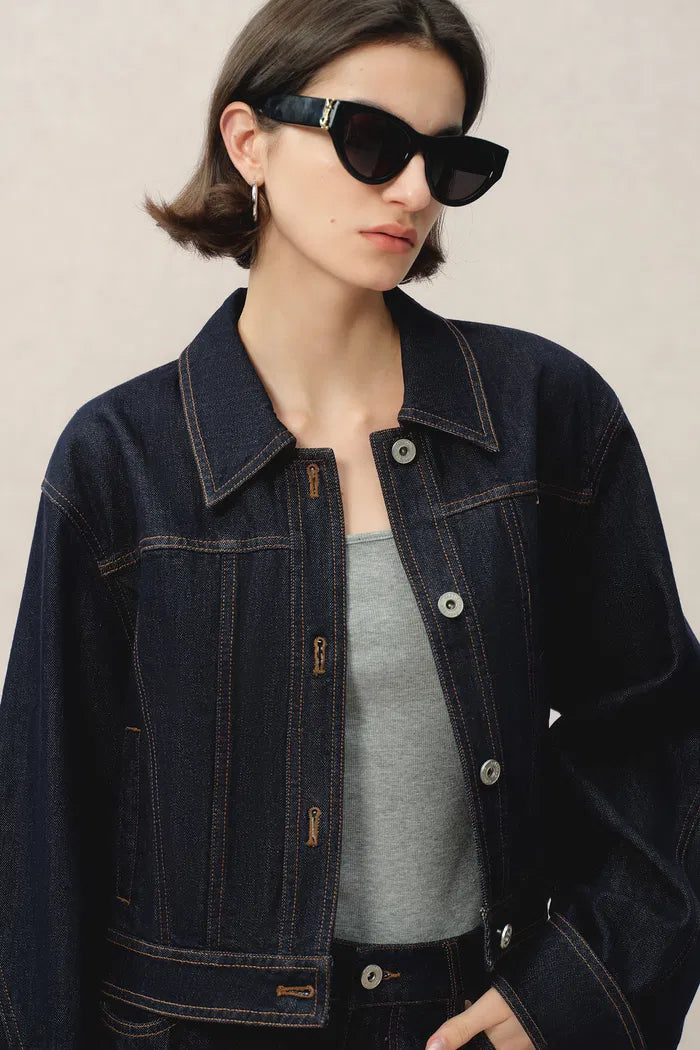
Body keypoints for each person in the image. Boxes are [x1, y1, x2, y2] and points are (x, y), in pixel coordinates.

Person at [1, 1, 699, 1048]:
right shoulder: (123, 462)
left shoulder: (542, 418)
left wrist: (570, 996)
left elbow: (659, 741)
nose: (413, 191)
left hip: (465, 1020)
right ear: (250, 142)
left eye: (448, 160)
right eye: (371, 142)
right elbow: (42, 836)